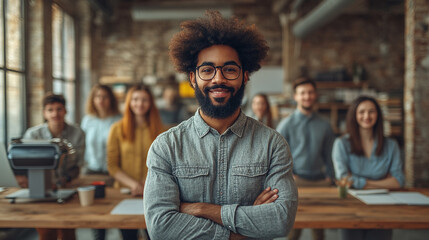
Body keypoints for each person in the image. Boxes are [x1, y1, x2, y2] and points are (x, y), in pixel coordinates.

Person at [143, 10, 297, 240]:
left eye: (230, 69)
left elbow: (280, 220)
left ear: (245, 76)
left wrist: (202, 209)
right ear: (193, 78)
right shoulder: (166, 146)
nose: (218, 79)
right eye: (207, 70)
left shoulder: (272, 144)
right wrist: (241, 233)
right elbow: (160, 226)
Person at [332, 96, 405, 240]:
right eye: (362, 112)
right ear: (354, 115)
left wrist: (359, 182)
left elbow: (399, 181)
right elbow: (344, 180)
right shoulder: (341, 144)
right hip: (351, 207)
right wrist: (384, 182)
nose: (367, 116)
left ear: (378, 115)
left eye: (371, 112)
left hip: (383, 207)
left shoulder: (391, 145)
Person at [276, 77, 335, 240]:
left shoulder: (325, 124)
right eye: (302, 93)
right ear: (295, 96)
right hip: (296, 182)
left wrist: (332, 177)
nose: (307, 96)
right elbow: (278, 157)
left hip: (321, 182)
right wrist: (288, 177)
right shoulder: (285, 124)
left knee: (319, 230)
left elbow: (330, 154)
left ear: (315, 95)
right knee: (294, 229)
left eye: (310, 92)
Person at [21, 93, 85, 240]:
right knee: (46, 232)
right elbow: (24, 166)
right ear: (44, 113)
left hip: (67, 187)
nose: (55, 113)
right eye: (50, 110)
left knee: (68, 232)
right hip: (41, 190)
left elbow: (77, 165)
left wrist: (65, 179)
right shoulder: (33, 134)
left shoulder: (77, 133)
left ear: (65, 110)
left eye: (59, 109)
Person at [107, 84, 164, 240]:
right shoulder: (116, 129)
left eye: (144, 100)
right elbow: (112, 165)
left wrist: (146, 183)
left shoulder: (161, 130)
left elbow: (164, 163)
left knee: (154, 235)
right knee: (128, 237)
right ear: (129, 102)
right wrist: (134, 185)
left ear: (151, 103)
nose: (140, 104)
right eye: (135, 99)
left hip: (153, 192)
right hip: (125, 193)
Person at [81, 84, 121, 240]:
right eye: (98, 96)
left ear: (111, 99)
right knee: (96, 215)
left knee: (116, 211)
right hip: (91, 172)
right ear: (93, 99)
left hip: (112, 172)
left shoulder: (119, 120)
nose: (101, 100)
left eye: (105, 96)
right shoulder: (88, 120)